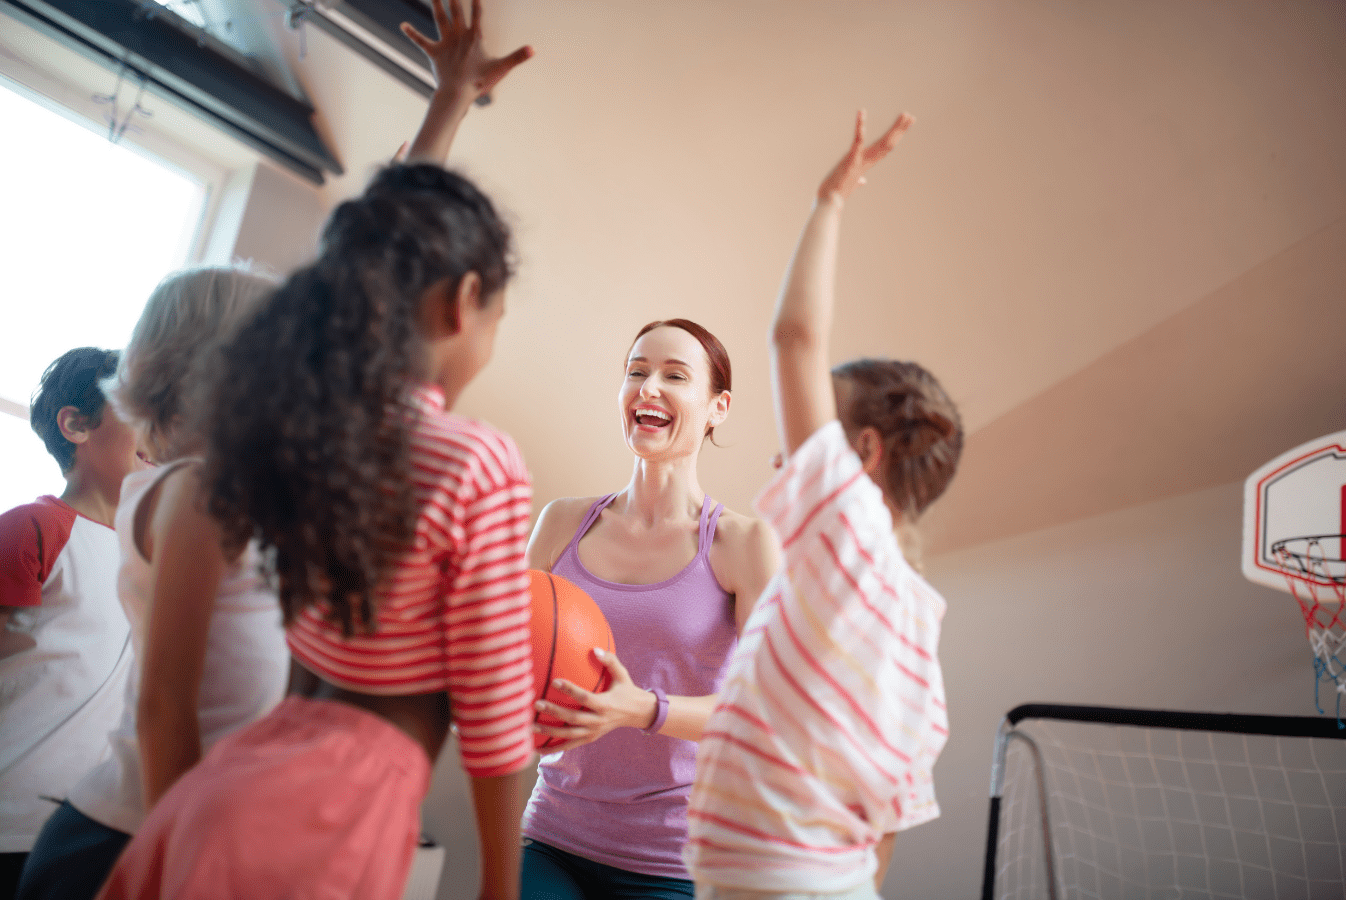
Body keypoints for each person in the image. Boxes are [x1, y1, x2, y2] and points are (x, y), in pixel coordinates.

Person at [97, 6, 537, 898]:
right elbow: (493, 720)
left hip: (233, 784)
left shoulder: (306, 435)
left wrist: (446, 104)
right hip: (337, 806)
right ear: (461, 305)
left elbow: (364, 268)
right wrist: (500, 884)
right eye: (496, 316)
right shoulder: (477, 461)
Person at [683, 111, 963, 898]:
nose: (787, 454)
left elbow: (794, 339)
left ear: (863, 455)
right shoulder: (913, 627)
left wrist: (830, 201)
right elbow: (884, 833)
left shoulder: (851, 532)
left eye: (816, 438)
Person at [13, 271, 290, 900]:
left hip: (148, 823)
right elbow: (165, 701)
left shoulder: (226, 501)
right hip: (110, 832)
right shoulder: (180, 496)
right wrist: (181, 852)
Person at [519, 315, 782, 897]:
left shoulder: (743, 544)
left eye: (675, 376)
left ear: (718, 406)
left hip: (674, 861)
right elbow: (501, 653)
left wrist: (642, 709)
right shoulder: (562, 522)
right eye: (636, 372)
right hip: (554, 835)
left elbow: (764, 714)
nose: (649, 388)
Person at [0, 348, 143, 899]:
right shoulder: (33, 528)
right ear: (78, 425)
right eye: (145, 407)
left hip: (78, 830)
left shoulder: (154, 564)